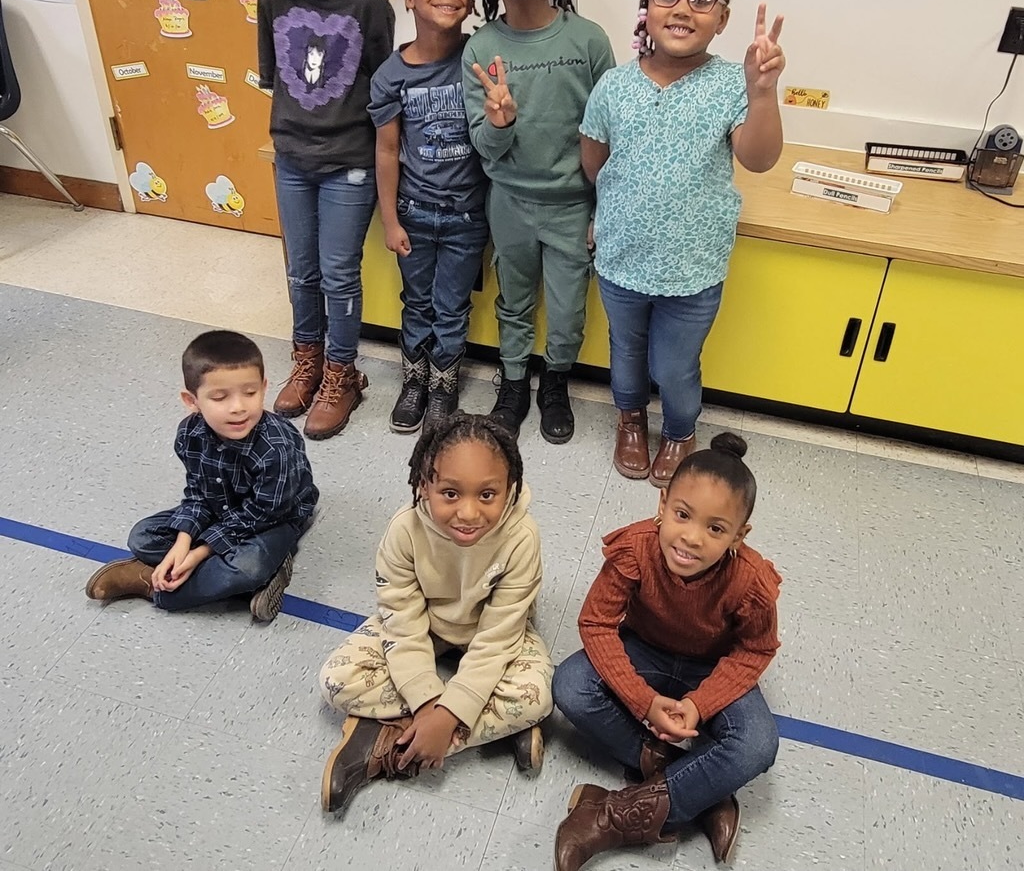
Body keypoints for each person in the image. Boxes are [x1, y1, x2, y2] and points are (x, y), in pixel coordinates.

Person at [580, 0, 785, 484]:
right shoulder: (615, 86)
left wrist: (763, 91)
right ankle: (629, 418)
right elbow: (594, 161)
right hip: (622, 258)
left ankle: (677, 430)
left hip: (692, 267)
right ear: (647, 5)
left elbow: (759, 159)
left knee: (674, 365)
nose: (682, 9)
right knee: (625, 352)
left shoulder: (731, 86)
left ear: (722, 18)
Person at [551, 433, 780, 869]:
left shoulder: (751, 581)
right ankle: (701, 787)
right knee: (570, 684)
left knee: (758, 746)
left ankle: (609, 817)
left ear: (739, 535)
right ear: (662, 506)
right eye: (682, 515)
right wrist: (645, 702)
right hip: (645, 652)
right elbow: (596, 623)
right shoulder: (635, 548)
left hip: (711, 669)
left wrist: (700, 703)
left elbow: (755, 650)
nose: (691, 538)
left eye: (715, 528)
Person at [317, 412, 553, 814]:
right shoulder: (404, 531)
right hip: (425, 627)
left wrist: (447, 715)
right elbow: (402, 622)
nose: (468, 513)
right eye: (450, 493)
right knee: (337, 681)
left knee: (536, 698)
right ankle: (483, 730)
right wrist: (430, 705)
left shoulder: (522, 538)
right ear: (425, 485)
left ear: (510, 488)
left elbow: (499, 639)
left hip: (492, 633)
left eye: (487, 495)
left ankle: (386, 744)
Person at [461, 0, 614, 443]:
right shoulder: (480, 47)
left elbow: (610, 135)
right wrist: (499, 122)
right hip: (510, 203)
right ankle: (513, 380)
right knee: (514, 299)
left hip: (574, 206)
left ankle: (556, 381)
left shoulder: (588, 40)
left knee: (570, 311)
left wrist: (603, 210)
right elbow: (484, 146)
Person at [258, 0, 396, 440]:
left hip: (350, 163)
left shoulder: (368, 4)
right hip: (292, 158)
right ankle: (307, 362)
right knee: (301, 272)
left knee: (339, 273)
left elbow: (385, 83)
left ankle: (342, 373)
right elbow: (274, 76)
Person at [85, 331, 319, 622]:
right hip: (220, 508)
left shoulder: (277, 447)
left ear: (264, 387)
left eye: (250, 393)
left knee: (248, 567)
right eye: (220, 397)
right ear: (191, 400)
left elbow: (265, 512)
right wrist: (184, 540)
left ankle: (149, 585)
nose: (238, 407)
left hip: (274, 519)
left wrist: (198, 553)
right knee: (142, 537)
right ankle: (230, 578)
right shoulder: (189, 434)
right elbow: (198, 492)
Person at [369, 0, 488, 435]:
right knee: (416, 301)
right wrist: (391, 219)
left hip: (466, 217)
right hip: (413, 213)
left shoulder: (479, 57)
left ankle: (444, 384)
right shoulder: (391, 75)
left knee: (451, 304)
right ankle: (414, 380)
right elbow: (387, 151)